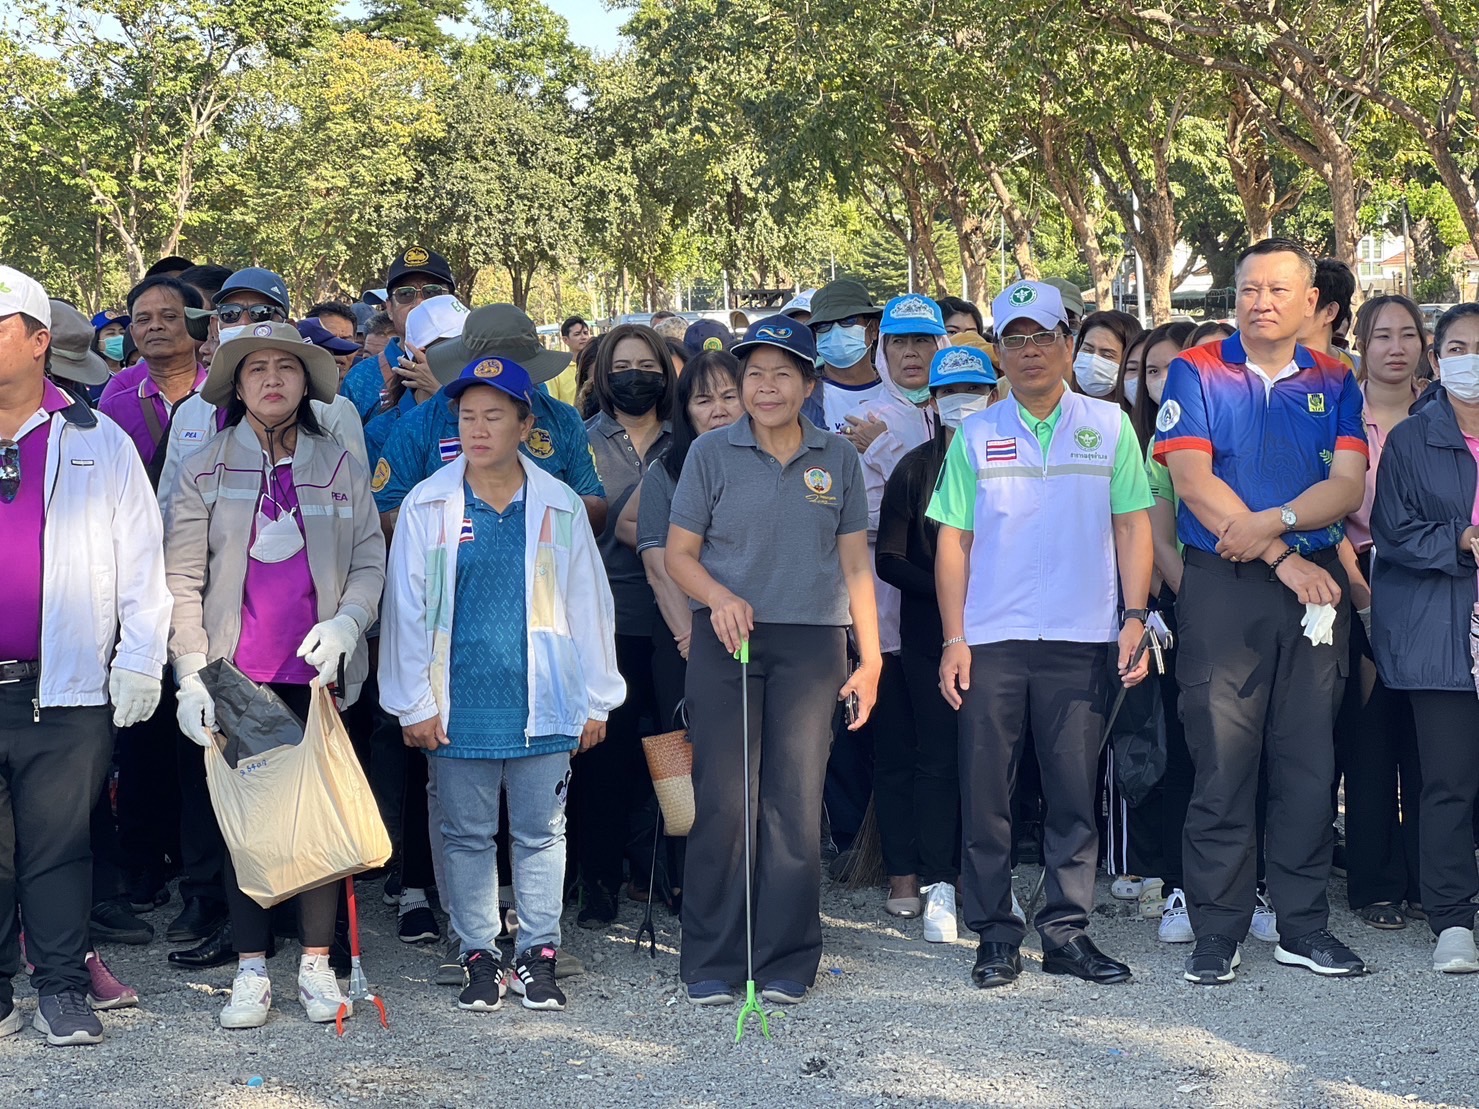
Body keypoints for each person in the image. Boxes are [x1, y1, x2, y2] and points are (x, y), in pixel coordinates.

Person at [379, 353, 624, 1012]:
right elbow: (404, 609)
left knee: (542, 830)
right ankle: (479, 952)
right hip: (457, 701)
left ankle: (537, 951)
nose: (479, 428)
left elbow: (588, 605)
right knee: (464, 832)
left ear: (524, 422)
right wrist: (412, 701)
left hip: (542, 697)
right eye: (467, 416)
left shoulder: (558, 502)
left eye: (494, 415)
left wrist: (597, 697)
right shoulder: (428, 503)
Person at [1154, 237, 1369, 985]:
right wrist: (1278, 552)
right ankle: (1218, 928)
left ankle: (1302, 924)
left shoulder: (1336, 379)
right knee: (1221, 759)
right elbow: (1190, 478)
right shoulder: (1198, 368)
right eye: (1247, 289)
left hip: (1309, 589)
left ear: (1311, 302)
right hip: (1227, 583)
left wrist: (1272, 523)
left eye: (1277, 289)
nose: (1260, 301)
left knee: (1308, 761)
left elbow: (1344, 486)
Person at [930, 279, 1153, 990]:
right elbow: (953, 542)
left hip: (1082, 633)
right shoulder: (975, 432)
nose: (1029, 351)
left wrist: (1133, 615)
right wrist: (953, 638)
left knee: (1070, 792)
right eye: (1013, 339)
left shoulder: (1111, 427)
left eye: (1042, 336)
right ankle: (994, 933)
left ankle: (1065, 931)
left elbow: (1131, 524)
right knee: (986, 792)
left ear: (1068, 339)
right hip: (991, 638)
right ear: (998, 351)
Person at [165, 322, 386, 1028]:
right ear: (235, 384)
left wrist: (350, 622)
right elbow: (180, 578)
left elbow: (369, 562)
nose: (271, 379)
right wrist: (190, 673)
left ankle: (317, 966)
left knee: (317, 824)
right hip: (236, 674)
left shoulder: (340, 463)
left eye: (285, 368)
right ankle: (251, 970)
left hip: (316, 671)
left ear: (306, 383)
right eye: (255, 367)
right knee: (250, 826)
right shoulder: (203, 465)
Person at [666, 315, 881, 1006]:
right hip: (726, 637)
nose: (765, 387)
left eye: (782, 373)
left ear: (808, 384)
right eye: (752, 374)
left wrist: (868, 659)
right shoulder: (710, 453)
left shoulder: (836, 456)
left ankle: (787, 954)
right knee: (724, 801)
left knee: (794, 799)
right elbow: (678, 555)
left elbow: (854, 565)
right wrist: (718, 597)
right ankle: (713, 957)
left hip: (813, 642)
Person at [0, 267, 169, 1045]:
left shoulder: (96, 441)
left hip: (64, 689)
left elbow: (141, 563)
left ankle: (63, 987)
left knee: (59, 848)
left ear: (40, 342)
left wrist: (140, 657)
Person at [1368, 304, 1479, 973]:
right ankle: (1451, 918)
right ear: (1436, 361)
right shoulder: (1412, 439)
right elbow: (1392, 532)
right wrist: (1459, 540)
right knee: (1447, 781)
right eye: (1459, 347)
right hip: (1440, 630)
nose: (1471, 359)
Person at [876, 343, 996, 944]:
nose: (962, 402)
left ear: (993, 392)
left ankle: (988, 879)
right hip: (931, 637)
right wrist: (950, 594)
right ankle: (938, 881)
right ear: (933, 400)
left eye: (973, 390)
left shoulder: (1013, 461)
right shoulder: (915, 468)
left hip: (1005, 632)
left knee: (997, 761)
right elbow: (889, 559)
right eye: (950, 393)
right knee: (938, 760)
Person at [625, 350, 745, 906]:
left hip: (755, 633)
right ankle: (689, 883)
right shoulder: (669, 467)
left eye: (728, 395)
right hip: (688, 638)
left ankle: (751, 877)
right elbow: (656, 559)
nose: (718, 410)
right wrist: (689, 638)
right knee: (689, 765)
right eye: (704, 400)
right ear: (686, 410)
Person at [572, 325, 674, 927]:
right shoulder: (577, 443)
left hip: (672, 618)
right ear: (602, 376)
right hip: (600, 619)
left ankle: (661, 873)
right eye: (623, 365)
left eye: (648, 365)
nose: (636, 375)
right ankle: (599, 881)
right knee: (602, 760)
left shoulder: (688, 442)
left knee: (670, 749)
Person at [853, 295, 949, 917]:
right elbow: (862, 524)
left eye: (923, 343)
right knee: (897, 748)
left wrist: (890, 458)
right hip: (886, 610)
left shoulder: (970, 410)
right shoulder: (862, 419)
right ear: (882, 351)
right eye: (898, 344)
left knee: (951, 751)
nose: (911, 355)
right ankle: (903, 871)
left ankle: (952, 867)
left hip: (962, 618)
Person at [1335, 295, 1427, 933]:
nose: (1395, 348)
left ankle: (1434, 880)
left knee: (1430, 740)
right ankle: (1374, 885)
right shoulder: (1340, 414)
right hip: (1356, 577)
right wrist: (1360, 593)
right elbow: (1328, 510)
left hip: (1432, 584)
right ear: (1360, 345)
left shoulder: (1445, 415)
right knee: (1368, 738)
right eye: (1381, 336)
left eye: (1408, 335)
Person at [99, 275, 208, 471]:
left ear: (195, 324)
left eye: (169, 317)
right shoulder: (114, 411)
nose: (155, 326)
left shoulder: (226, 400)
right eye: (143, 319)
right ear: (133, 333)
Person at [339, 247, 457, 423]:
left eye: (432, 292)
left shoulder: (475, 367)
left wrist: (442, 393)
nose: (419, 303)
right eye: (405, 294)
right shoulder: (360, 379)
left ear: (452, 303)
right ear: (389, 309)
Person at [806, 279, 886, 438]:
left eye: (848, 321)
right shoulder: (802, 397)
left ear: (873, 329)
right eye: (824, 325)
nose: (836, 332)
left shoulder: (900, 393)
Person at [1073, 310, 1143, 408]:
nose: (1093, 362)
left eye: (1107, 355)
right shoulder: (1060, 406)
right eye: (1087, 349)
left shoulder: (1143, 418)